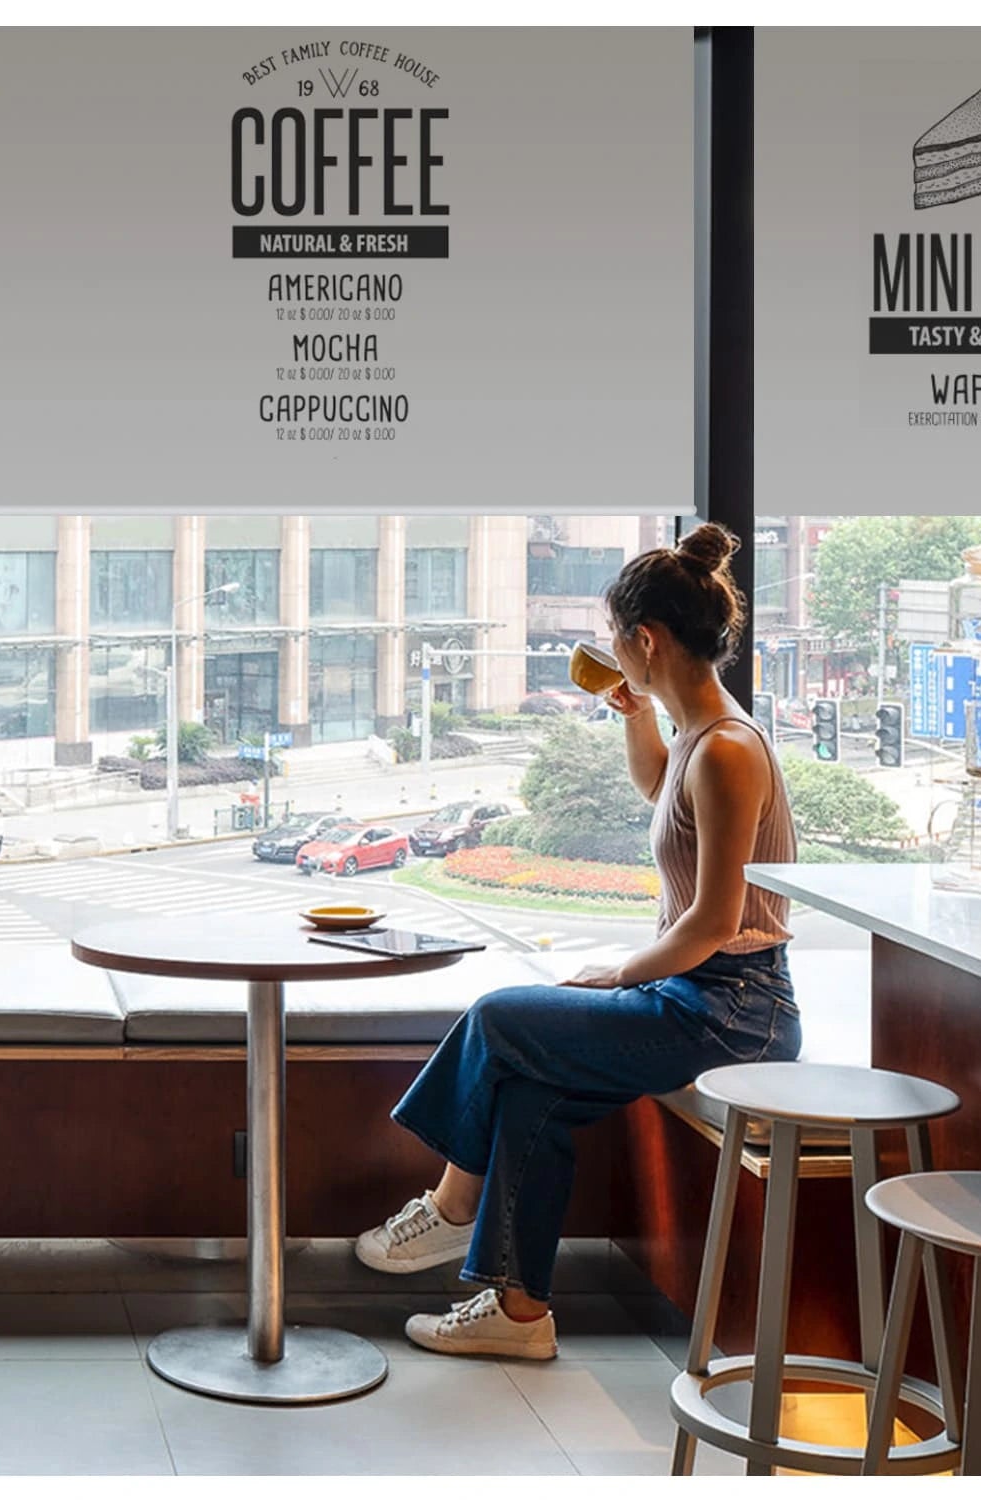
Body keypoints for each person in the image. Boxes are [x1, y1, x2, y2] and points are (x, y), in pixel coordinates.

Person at [354, 523, 800, 1360]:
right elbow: (662, 792)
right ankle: (520, 1316)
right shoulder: (703, 738)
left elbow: (712, 920)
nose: (607, 653)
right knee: (530, 1092)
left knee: (498, 1019)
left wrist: (617, 975)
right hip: (702, 995)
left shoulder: (732, 751)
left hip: (735, 1008)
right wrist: (634, 716)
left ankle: (450, 1210)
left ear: (646, 640)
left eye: (612, 640)